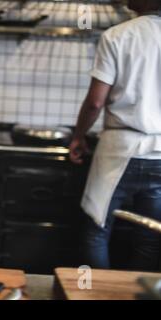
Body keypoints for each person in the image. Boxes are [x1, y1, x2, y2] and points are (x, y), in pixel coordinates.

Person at [69, 0, 161, 271]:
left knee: (97, 227)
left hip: (120, 148)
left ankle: (97, 292)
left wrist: (78, 136)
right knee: (150, 234)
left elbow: (96, 102)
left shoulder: (118, 35)